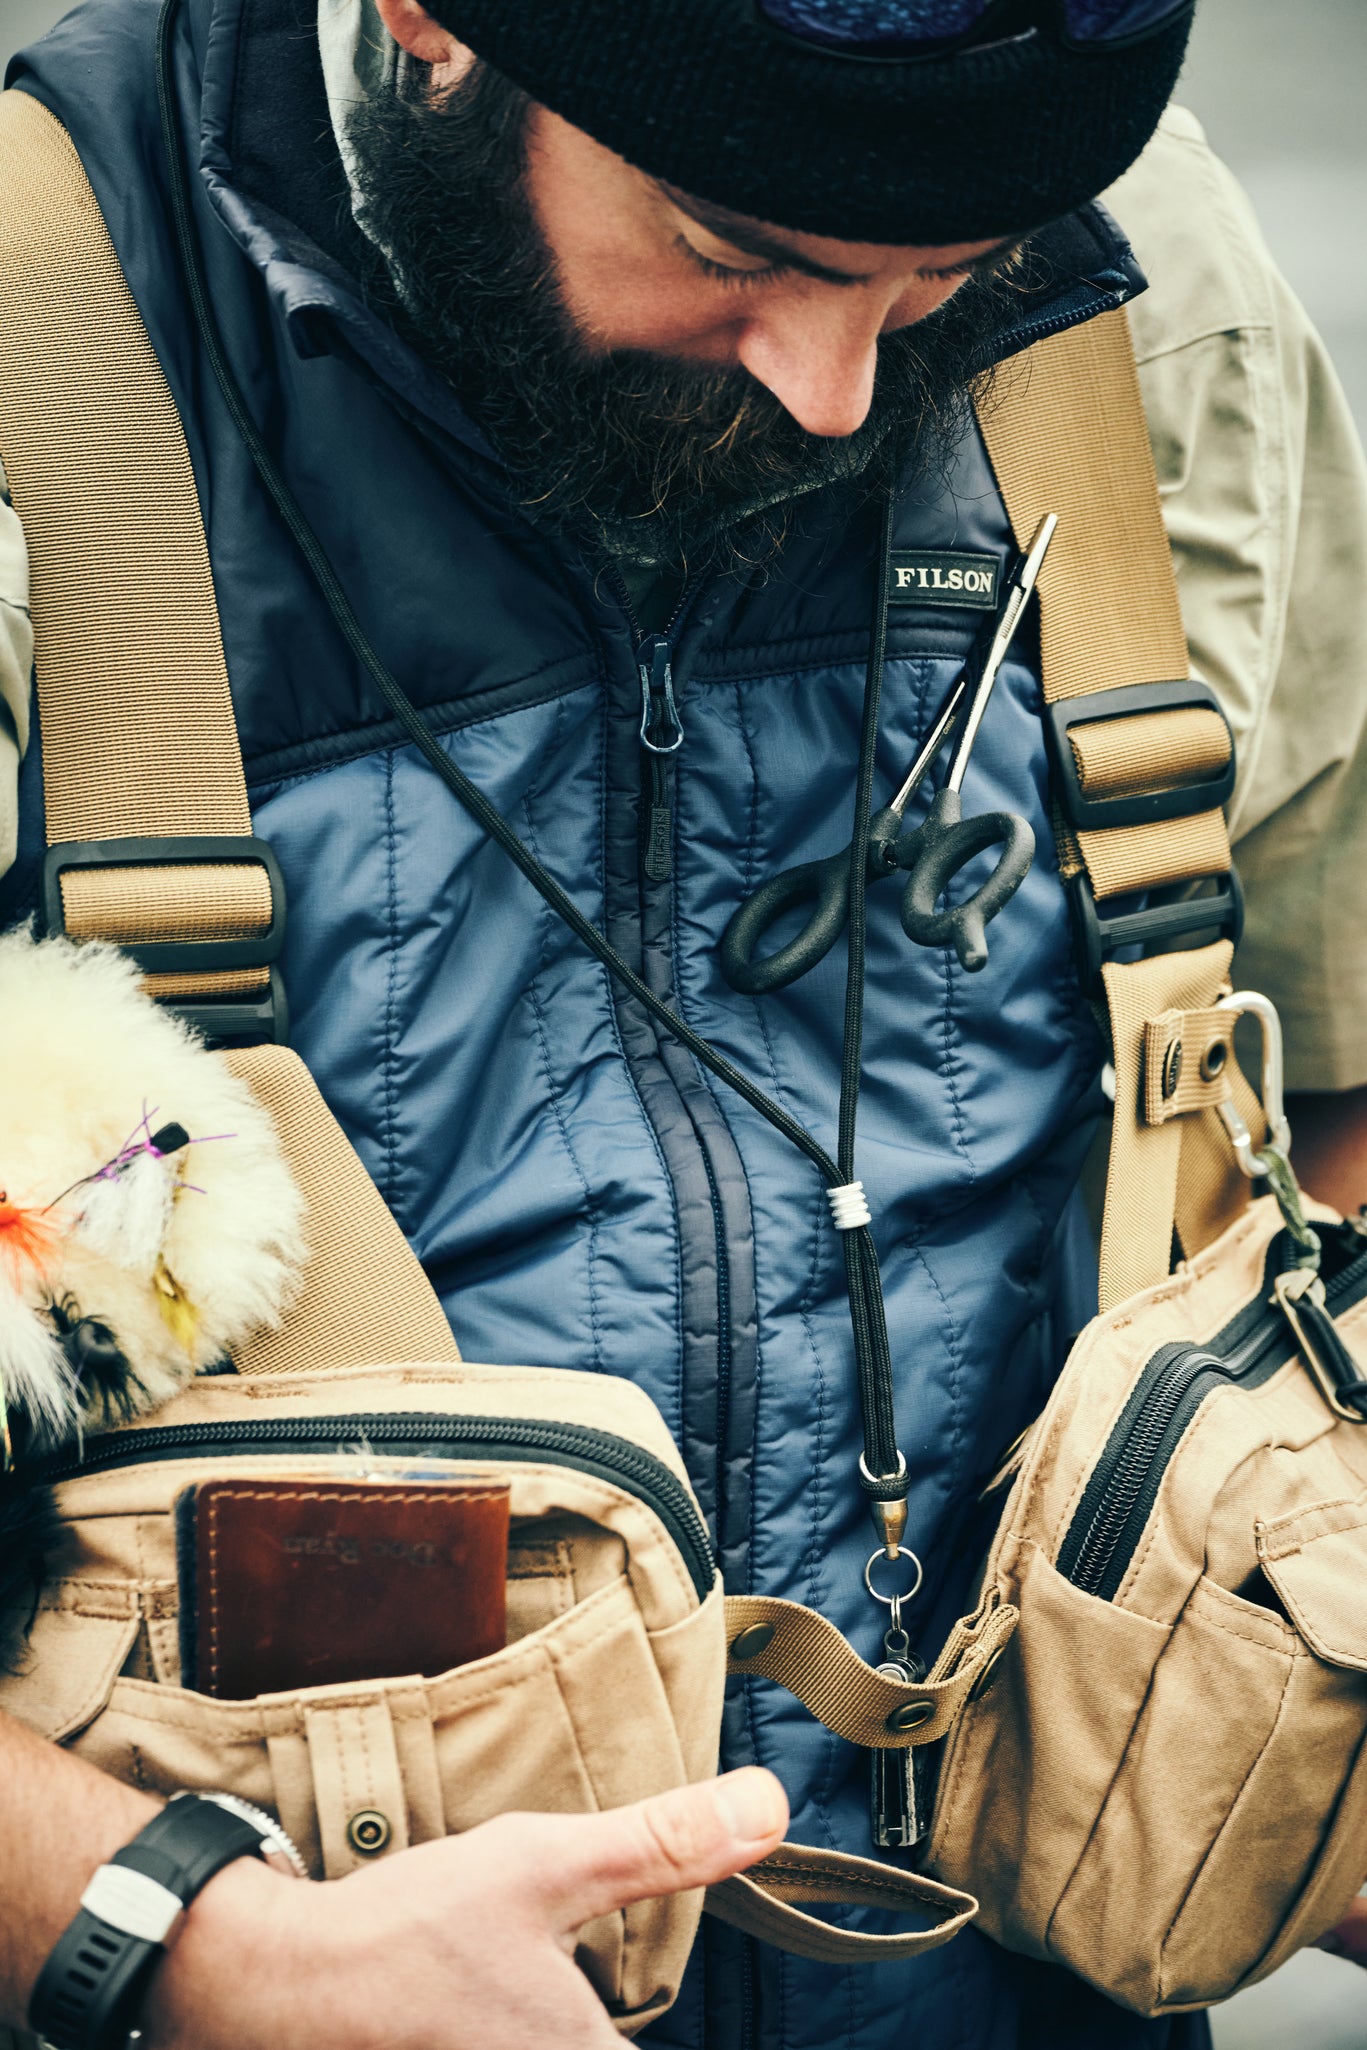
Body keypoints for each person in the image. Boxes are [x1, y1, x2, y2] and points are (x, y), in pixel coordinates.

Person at [1, 1, 1366, 2046]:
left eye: (934, 281)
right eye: (741, 246)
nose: (840, 388)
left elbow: (1329, 1062)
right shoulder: (40, 343)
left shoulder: (1139, 285)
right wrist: (185, 1950)